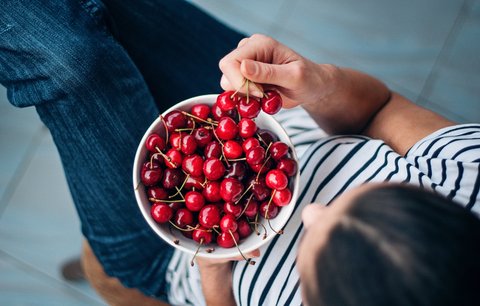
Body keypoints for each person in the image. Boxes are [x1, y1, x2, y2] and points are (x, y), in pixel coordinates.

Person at [1, 1, 479, 306]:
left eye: (315, 250)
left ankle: (100, 267)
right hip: (250, 123)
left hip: (169, 255)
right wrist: (317, 83)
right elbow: (381, 107)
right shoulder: (469, 174)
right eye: (369, 197)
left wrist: (214, 271)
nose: (310, 212)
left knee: (67, 60)